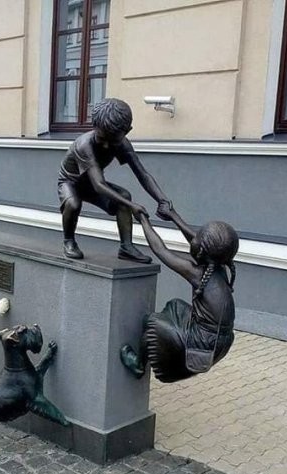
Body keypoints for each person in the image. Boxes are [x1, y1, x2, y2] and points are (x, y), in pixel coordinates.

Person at [121, 205, 239, 382]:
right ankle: (163, 339)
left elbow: (161, 250)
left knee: (153, 322)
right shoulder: (219, 266)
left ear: (202, 251)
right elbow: (196, 242)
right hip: (220, 339)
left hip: (204, 342)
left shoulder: (198, 274)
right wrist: (172, 215)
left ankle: (138, 364)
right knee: (175, 306)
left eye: (198, 238)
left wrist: (143, 221)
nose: (194, 238)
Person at [58, 98, 173, 263]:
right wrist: (132, 206)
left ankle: (126, 247)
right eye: (102, 138)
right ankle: (68, 240)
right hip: (71, 182)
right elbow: (99, 185)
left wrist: (162, 200)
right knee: (73, 204)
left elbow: (143, 174)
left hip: (91, 184)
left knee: (124, 196)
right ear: (94, 126)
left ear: (127, 131)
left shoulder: (122, 144)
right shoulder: (84, 145)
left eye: (112, 141)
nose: (106, 146)